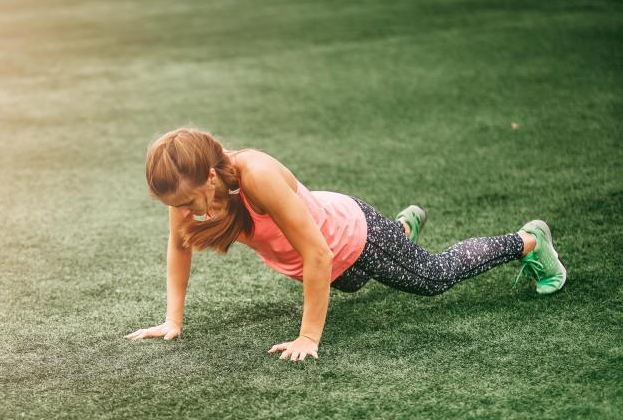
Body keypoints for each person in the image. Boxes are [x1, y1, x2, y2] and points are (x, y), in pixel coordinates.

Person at [124, 128, 567, 362]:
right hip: (330, 256)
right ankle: (401, 232)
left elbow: (318, 252)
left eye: (188, 201)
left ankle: (529, 241)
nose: (187, 211)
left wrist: (308, 336)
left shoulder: (255, 175)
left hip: (350, 235)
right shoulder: (186, 192)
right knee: (354, 283)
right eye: (176, 205)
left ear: (211, 176)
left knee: (433, 277)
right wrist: (172, 320)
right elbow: (178, 248)